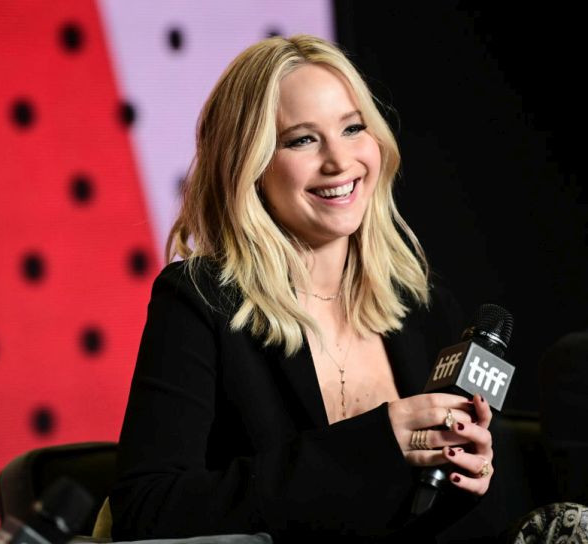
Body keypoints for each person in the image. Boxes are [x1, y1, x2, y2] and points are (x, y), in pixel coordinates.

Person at [109, 34, 505, 542]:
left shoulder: (420, 304)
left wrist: (463, 489)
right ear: (248, 165)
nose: (339, 161)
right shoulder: (199, 300)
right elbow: (146, 510)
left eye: (352, 128)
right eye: (302, 140)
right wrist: (369, 448)